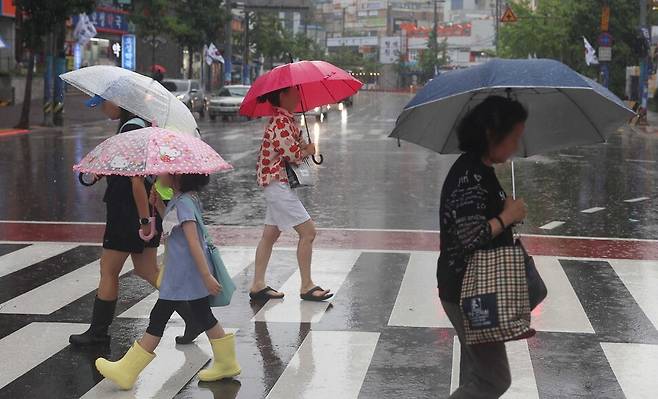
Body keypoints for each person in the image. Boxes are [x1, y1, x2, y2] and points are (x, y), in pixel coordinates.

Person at [69, 95, 202, 346]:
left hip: (128, 213)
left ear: (121, 103)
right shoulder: (143, 125)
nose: (102, 108)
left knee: (108, 270)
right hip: (142, 211)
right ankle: (195, 316)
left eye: (104, 102)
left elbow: (137, 180)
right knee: (147, 270)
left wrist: (143, 221)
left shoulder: (131, 129)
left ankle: (98, 333)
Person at [95, 173, 240, 390]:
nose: (156, 175)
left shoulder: (183, 204)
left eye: (162, 172)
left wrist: (206, 276)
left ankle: (127, 371)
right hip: (182, 274)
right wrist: (160, 207)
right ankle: (227, 362)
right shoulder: (183, 200)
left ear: (177, 177)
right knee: (203, 315)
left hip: (182, 276)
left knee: (158, 317)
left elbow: (193, 243)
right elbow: (175, 228)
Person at [437, 96, 529, 398]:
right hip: (471, 291)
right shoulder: (470, 177)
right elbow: (470, 236)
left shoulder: (479, 170)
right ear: (492, 133)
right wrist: (507, 216)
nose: (516, 145)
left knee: (476, 375)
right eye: (514, 136)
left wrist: (503, 212)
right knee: (493, 379)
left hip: (471, 287)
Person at [249, 86, 332, 301]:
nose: (298, 95)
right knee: (308, 232)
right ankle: (307, 285)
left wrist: (302, 142)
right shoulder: (281, 122)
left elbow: (291, 149)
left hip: (276, 183)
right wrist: (308, 150)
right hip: (277, 184)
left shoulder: (286, 120)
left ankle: (258, 284)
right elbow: (293, 155)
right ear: (283, 95)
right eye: (294, 92)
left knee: (270, 235)